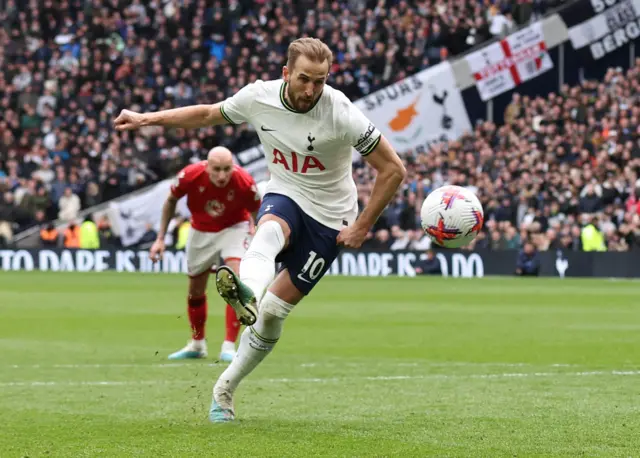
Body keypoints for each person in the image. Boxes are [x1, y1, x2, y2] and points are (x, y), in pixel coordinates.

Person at [113, 37, 406, 423]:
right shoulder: (258, 97)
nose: (311, 89)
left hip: (333, 216)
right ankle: (245, 288)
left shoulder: (342, 113)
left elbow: (393, 169)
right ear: (286, 73)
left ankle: (224, 389)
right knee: (269, 230)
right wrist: (148, 118)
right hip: (285, 190)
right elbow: (205, 115)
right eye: (304, 79)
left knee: (272, 315)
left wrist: (363, 225)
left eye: (320, 81)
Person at [148, 147, 261, 362]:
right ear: (207, 166)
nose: (222, 175)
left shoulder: (244, 182)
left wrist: (258, 232)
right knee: (195, 289)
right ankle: (197, 344)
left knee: (233, 278)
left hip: (234, 228)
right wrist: (160, 238)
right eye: (216, 169)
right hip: (200, 230)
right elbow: (170, 200)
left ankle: (229, 345)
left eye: (227, 169)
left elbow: (258, 210)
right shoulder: (190, 175)